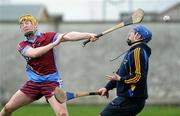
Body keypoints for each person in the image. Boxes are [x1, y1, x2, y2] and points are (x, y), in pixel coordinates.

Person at [0, 15, 97, 116]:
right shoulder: (22, 45)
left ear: (35, 25)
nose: (24, 26)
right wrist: (54, 44)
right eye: (22, 25)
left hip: (51, 83)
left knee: (62, 114)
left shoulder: (48, 36)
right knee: (7, 108)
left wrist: (89, 35)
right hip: (33, 83)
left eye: (27, 23)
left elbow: (68, 35)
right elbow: (34, 53)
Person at [98, 25, 152, 116]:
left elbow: (138, 77)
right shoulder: (133, 51)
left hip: (130, 99)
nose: (128, 34)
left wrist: (121, 79)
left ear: (138, 36)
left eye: (131, 32)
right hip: (129, 99)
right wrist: (107, 88)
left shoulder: (138, 51)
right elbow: (119, 74)